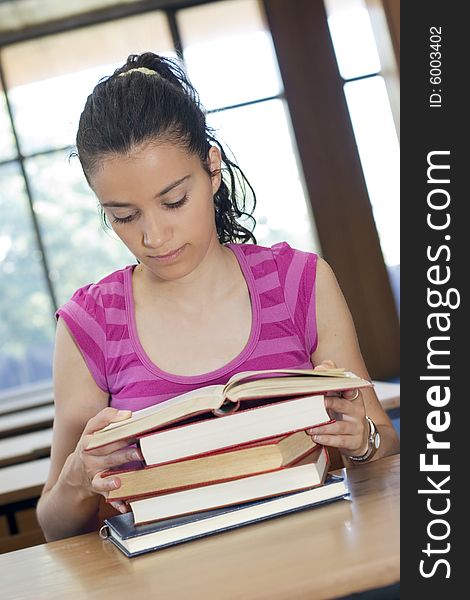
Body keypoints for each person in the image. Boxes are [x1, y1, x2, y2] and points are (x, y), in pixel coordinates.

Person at [36, 52, 399, 541]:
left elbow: (384, 447)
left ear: (212, 168)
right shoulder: (89, 324)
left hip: (314, 563)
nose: (154, 236)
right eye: (124, 216)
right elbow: (53, 526)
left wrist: (361, 439)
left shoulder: (300, 282)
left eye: (174, 201)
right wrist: (80, 476)